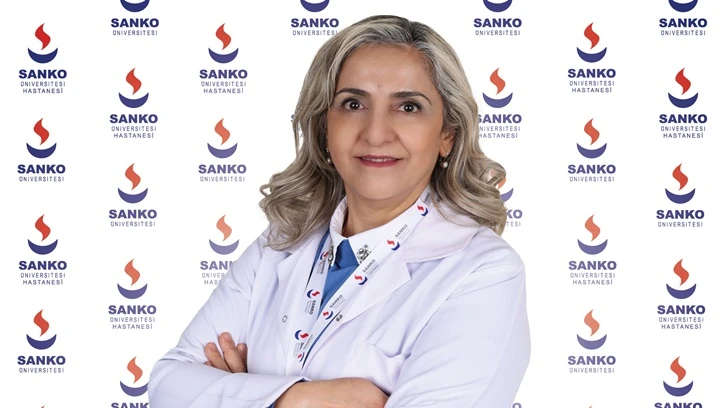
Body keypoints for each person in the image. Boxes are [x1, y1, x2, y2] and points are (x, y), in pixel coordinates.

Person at [148, 14, 530, 408]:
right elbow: (167, 386)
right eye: (353, 103)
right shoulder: (281, 241)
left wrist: (239, 394)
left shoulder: (484, 273)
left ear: (447, 134)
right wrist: (296, 400)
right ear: (324, 128)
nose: (376, 133)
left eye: (408, 107)